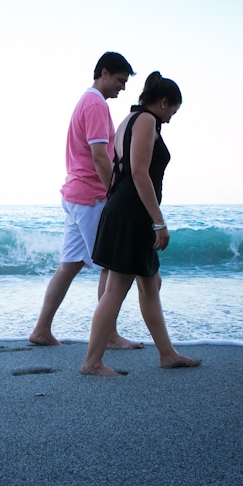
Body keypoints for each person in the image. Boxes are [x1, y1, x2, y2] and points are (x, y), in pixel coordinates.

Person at [81, 71, 202, 376]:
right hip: (132, 213)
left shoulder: (127, 121)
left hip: (123, 209)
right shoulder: (147, 121)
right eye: (173, 111)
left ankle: (167, 353)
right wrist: (158, 222)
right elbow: (138, 173)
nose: (172, 118)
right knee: (117, 287)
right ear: (163, 102)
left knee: (151, 283)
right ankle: (92, 362)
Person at [30, 52, 143, 350]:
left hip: (76, 195)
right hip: (91, 196)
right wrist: (114, 192)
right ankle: (108, 335)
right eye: (120, 80)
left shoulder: (88, 102)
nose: (123, 88)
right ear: (104, 73)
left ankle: (41, 330)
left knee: (70, 265)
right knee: (112, 265)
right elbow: (98, 156)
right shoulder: (94, 104)